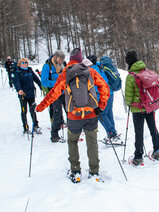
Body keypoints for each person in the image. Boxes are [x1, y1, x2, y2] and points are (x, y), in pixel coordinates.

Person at [35, 48, 110, 182]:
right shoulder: (90, 71)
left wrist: (40, 107)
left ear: (70, 60)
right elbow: (104, 88)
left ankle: (75, 170)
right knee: (92, 142)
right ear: (81, 60)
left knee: (72, 141)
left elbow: (53, 94)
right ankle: (94, 171)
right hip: (91, 114)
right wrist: (101, 106)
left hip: (74, 115)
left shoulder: (65, 73)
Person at [124, 50, 159, 165]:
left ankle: (138, 157)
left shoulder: (130, 77)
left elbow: (128, 98)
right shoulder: (145, 71)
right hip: (150, 106)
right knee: (153, 128)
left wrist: (128, 103)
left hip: (137, 109)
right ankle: (157, 150)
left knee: (139, 132)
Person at [87, 54, 120, 143]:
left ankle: (112, 133)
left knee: (100, 114)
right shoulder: (100, 65)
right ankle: (112, 133)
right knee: (108, 113)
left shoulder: (92, 71)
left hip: (102, 95)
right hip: (110, 92)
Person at [41, 50, 66, 142]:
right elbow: (44, 81)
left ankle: (73, 132)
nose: (61, 61)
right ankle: (54, 135)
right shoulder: (47, 66)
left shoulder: (64, 65)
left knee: (69, 111)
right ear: (55, 57)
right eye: (60, 58)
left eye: (63, 59)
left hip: (65, 92)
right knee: (57, 113)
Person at [13, 58, 42, 134]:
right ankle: (25, 127)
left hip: (31, 93)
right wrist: (19, 89)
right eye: (23, 62)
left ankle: (35, 125)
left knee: (33, 110)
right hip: (23, 94)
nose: (25, 64)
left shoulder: (30, 70)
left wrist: (41, 86)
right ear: (20, 63)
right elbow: (16, 82)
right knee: (24, 111)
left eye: (26, 62)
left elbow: (36, 79)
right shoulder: (18, 72)